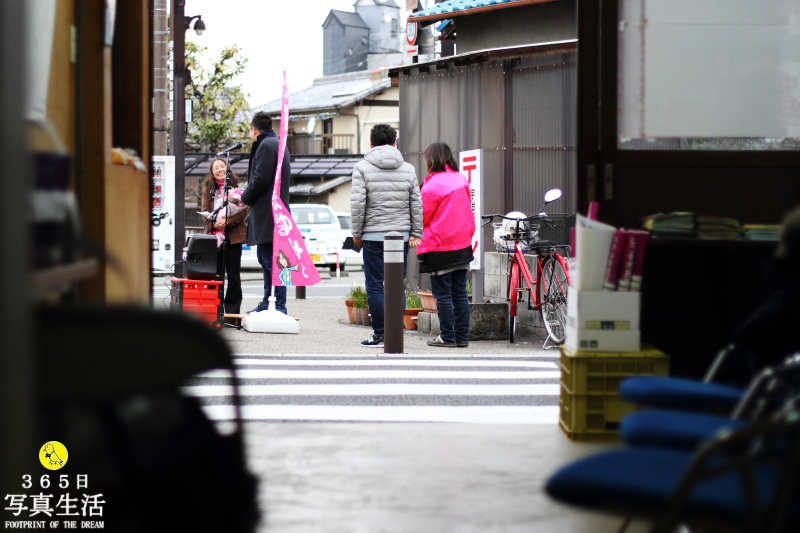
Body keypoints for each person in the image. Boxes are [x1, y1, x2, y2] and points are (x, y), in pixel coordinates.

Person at [350, 124, 422, 348]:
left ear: (371, 144)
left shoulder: (362, 167)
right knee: (396, 284)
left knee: (374, 284)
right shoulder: (408, 168)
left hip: (372, 235)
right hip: (399, 236)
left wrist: (357, 232)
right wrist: (415, 232)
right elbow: (416, 203)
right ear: (394, 143)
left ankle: (381, 333)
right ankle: (395, 331)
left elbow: (358, 204)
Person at [417, 142, 475, 348]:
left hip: (440, 246)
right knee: (459, 293)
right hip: (462, 245)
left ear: (431, 160)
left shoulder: (431, 185)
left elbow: (422, 217)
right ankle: (462, 337)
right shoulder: (461, 180)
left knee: (442, 294)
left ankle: (447, 336)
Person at [241, 111, 291, 314]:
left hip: (268, 214)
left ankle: (276, 305)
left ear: (254, 129)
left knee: (272, 262)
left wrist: (244, 197)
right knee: (274, 261)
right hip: (276, 212)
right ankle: (270, 303)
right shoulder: (278, 143)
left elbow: (260, 179)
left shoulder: (266, 145)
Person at [201, 158, 248, 315]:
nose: (220, 169)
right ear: (212, 173)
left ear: (228, 169)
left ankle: (232, 311)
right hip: (215, 238)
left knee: (233, 275)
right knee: (215, 275)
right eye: (216, 168)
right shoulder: (209, 189)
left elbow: (243, 210)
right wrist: (213, 224)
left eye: (222, 166)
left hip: (234, 236)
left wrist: (227, 222)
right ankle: (215, 310)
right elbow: (205, 210)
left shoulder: (237, 186)